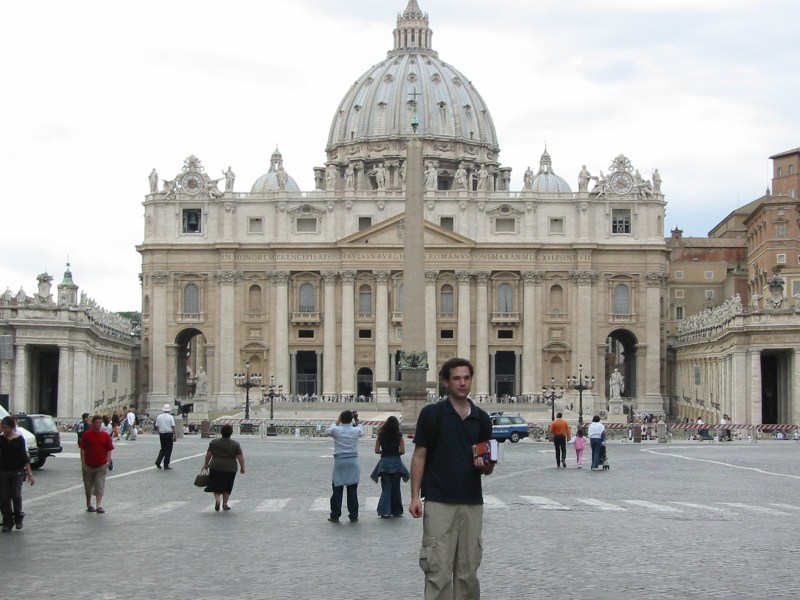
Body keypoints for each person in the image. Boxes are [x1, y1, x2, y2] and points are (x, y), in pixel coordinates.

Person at [409, 357, 495, 599]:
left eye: (466, 378)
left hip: (471, 501)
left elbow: (487, 464)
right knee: (438, 569)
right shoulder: (432, 414)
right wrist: (414, 496)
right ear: (446, 382)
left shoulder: (482, 418)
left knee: (468, 571)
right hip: (439, 500)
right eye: (457, 378)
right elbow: (419, 456)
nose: (462, 383)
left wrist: (486, 465)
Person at [326, 409, 363, 522]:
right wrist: (356, 419)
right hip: (352, 461)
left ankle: (335, 514)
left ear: (341, 418)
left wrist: (337, 421)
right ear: (351, 419)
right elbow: (361, 430)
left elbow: (328, 431)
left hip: (340, 462)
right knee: (352, 490)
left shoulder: (336, 430)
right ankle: (353, 514)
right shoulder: (355, 430)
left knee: (337, 489)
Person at [0, 416, 35, 532]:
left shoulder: (19, 439)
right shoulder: (1, 439)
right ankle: (7, 521)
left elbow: (24, 457)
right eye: (2, 427)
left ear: (11, 427)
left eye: (5, 427)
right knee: (4, 497)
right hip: (3, 471)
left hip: (17, 471)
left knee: (16, 495)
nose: (3, 430)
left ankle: (18, 517)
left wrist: (30, 474)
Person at [370, 415, 409, 518]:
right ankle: (397, 511)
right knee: (396, 488)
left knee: (386, 488)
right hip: (396, 463)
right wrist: (394, 452)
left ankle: (385, 511)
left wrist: (385, 451)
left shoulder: (381, 435)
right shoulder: (399, 436)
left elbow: (376, 450)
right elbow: (402, 451)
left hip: (384, 463)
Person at [202, 424, 245, 511]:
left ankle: (218, 499)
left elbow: (209, 454)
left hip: (215, 466)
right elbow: (240, 457)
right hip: (230, 468)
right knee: (228, 485)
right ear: (231, 433)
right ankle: (225, 503)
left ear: (221, 432)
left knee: (216, 484)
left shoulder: (214, 442)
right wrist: (242, 467)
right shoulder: (235, 444)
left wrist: (206, 464)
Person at [79, 415, 114, 513]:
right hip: (88, 465)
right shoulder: (87, 434)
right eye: (97, 423)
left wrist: (107, 462)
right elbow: (83, 449)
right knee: (88, 486)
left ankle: (99, 505)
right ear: (93, 423)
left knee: (99, 485)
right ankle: (89, 504)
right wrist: (83, 462)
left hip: (101, 465)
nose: (99, 424)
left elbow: (109, 450)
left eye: (100, 423)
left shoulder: (105, 435)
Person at [155, 404, 177, 470]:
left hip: (162, 434)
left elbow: (157, 426)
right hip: (169, 434)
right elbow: (173, 427)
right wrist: (175, 435)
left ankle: (158, 461)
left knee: (163, 449)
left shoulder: (159, 416)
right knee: (169, 450)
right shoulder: (170, 417)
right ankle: (166, 464)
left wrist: (159, 432)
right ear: (169, 410)